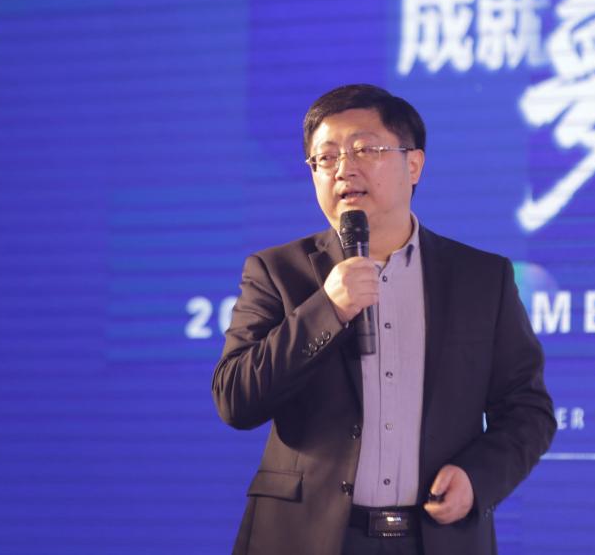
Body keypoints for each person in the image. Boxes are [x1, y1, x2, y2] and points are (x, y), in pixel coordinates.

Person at [212, 84, 555, 555]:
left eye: (365, 150)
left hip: (435, 539)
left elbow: (528, 410)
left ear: (413, 165)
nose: (343, 169)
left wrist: (478, 478)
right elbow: (235, 400)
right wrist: (327, 309)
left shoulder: (481, 278)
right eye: (325, 158)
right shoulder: (277, 272)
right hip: (306, 537)